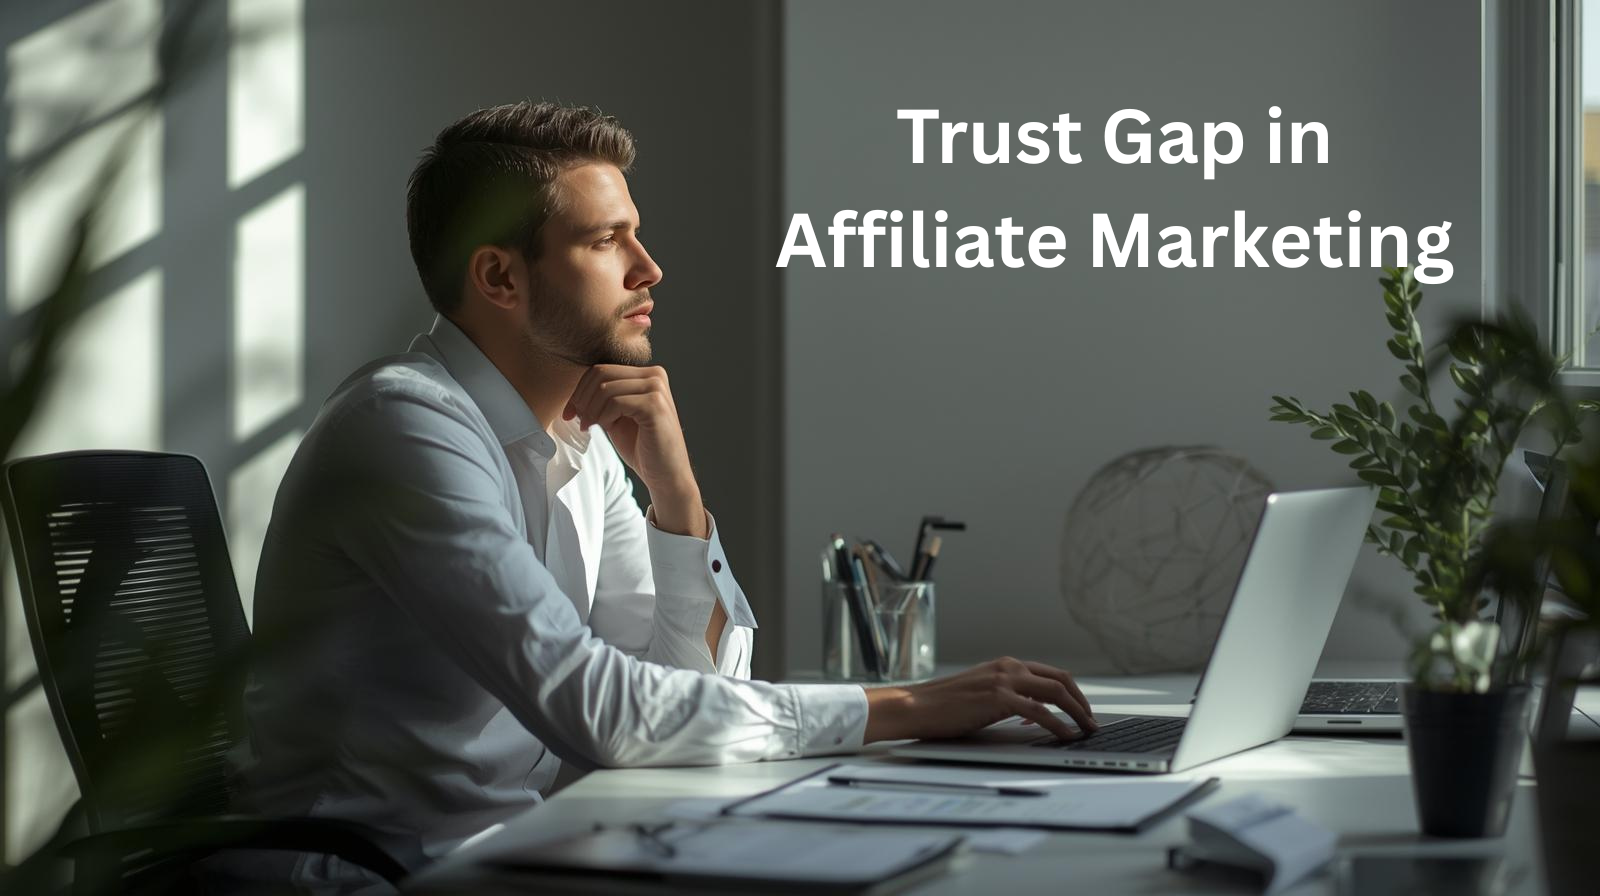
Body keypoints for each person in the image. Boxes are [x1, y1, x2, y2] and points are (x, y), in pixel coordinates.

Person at [233, 100, 1096, 887]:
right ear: (500, 278)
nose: (649, 269)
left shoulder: (581, 440)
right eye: (607, 241)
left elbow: (672, 697)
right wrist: (908, 706)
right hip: (370, 875)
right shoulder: (405, 429)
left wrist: (677, 500)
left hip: (523, 848)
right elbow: (603, 713)